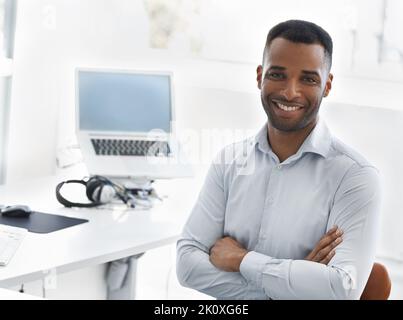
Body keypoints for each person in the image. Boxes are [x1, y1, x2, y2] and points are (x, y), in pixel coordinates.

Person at [176, 20, 382, 299]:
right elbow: (187, 265)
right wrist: (290, 285)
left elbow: (340, 289)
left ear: (327, 85)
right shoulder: (229, 162)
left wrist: (242, 260)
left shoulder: (355, 176)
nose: (289, 92)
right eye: (278, 75)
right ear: (260, 75)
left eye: (308, 79)